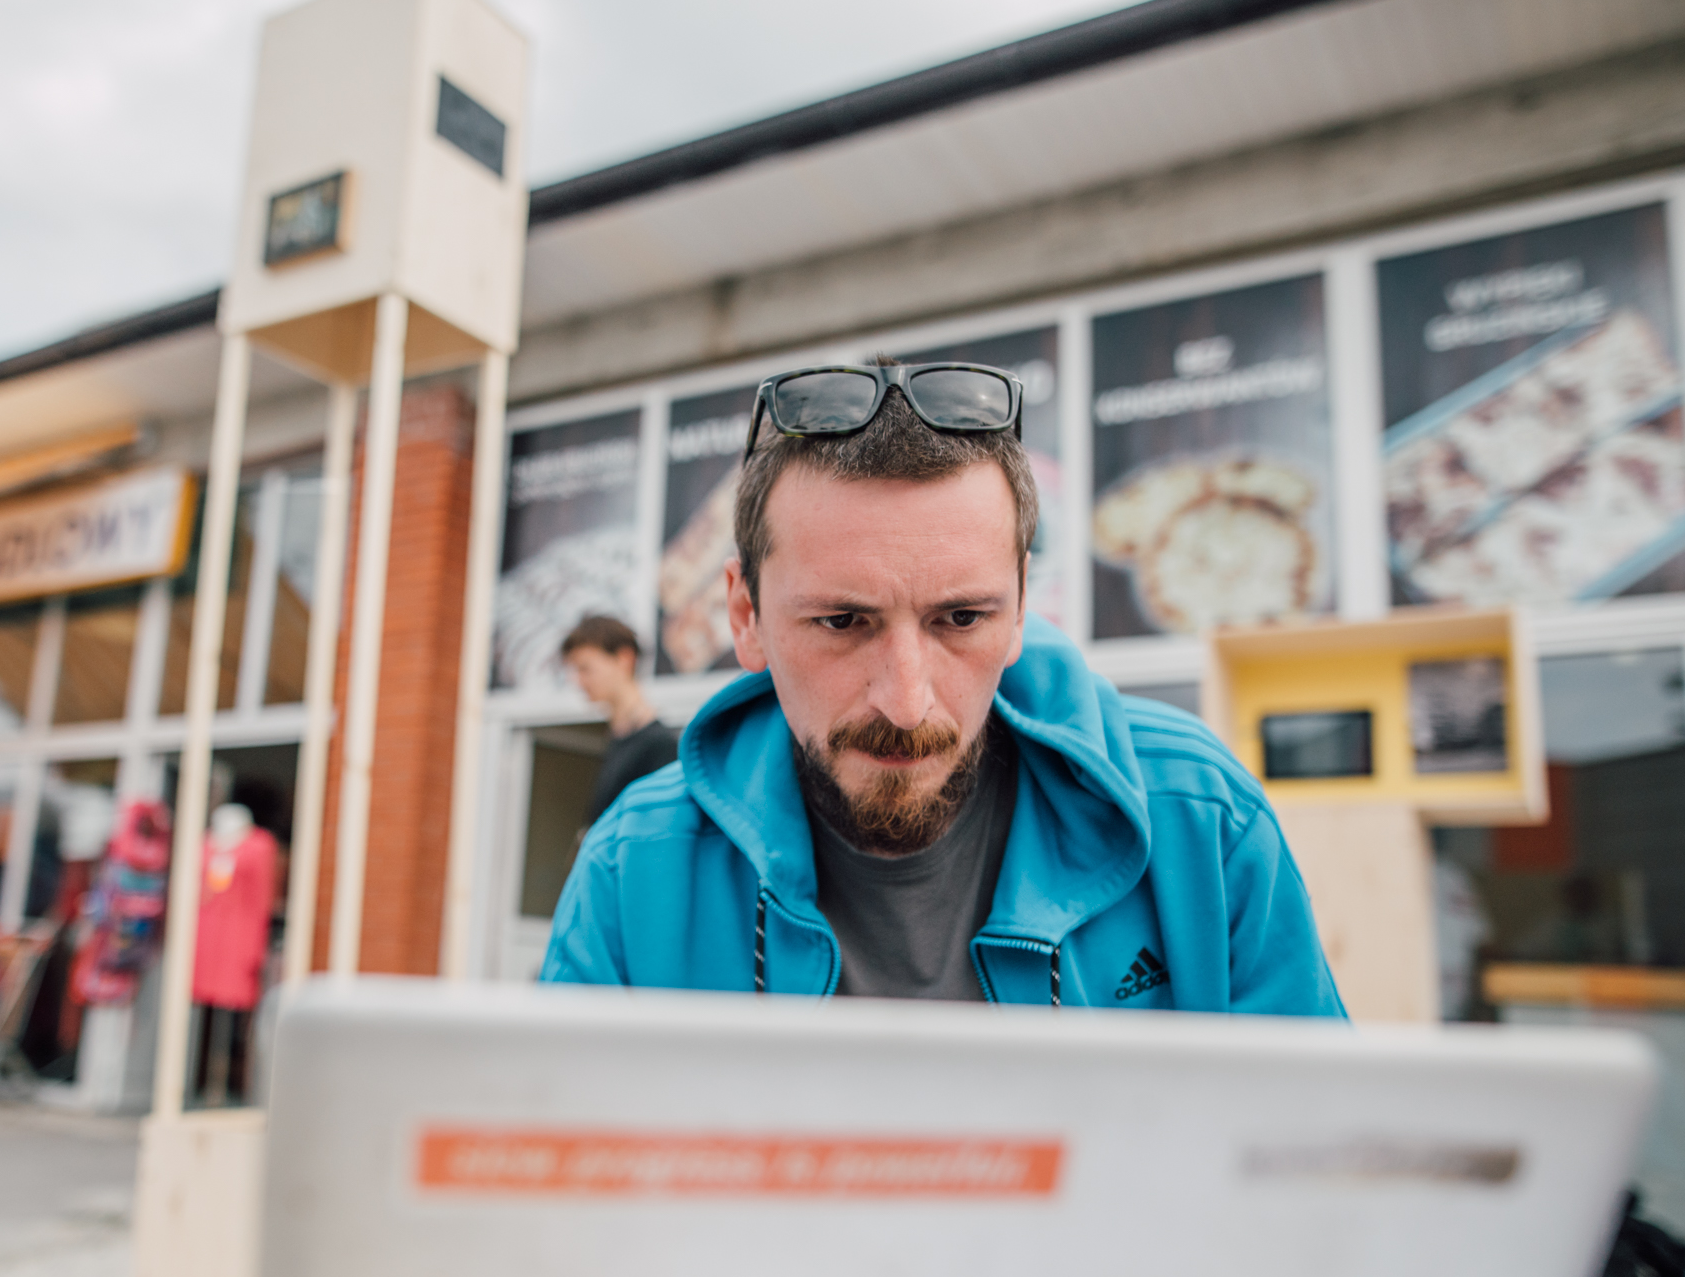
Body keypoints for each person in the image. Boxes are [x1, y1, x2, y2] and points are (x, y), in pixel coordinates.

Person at [542, 356, 1344, 1015]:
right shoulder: (634, 873)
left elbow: (1316, 1154)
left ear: (1021, 606)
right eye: (842, 621)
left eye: (961, 618)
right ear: (745, 615)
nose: (907, 701)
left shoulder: (1199, 821)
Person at [560, 615, 680, 825]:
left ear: (624, 659)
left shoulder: (660, 745)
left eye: (585, 668)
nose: (578, 681)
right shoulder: (618, 738)